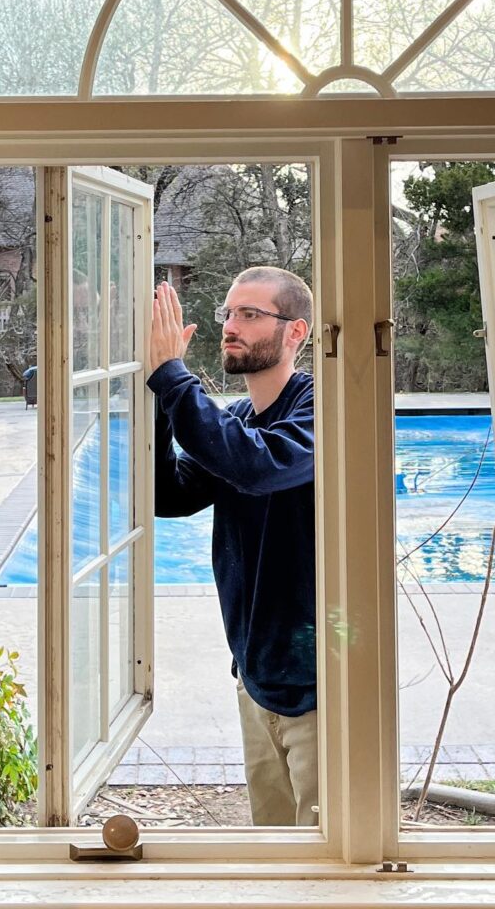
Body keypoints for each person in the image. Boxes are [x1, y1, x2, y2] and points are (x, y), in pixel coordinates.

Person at [145, 267, 316, 827]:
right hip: (256, 679)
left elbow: (257, 465)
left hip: (323, 690)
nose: (230, 327)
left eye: (249, 314)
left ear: (296, 332)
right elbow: (168, 495)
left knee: (335, 858)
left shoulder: (326, 408)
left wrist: (174, 378)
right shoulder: (240, 419)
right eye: (228, 313)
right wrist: (153, 389)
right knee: (275, 850)